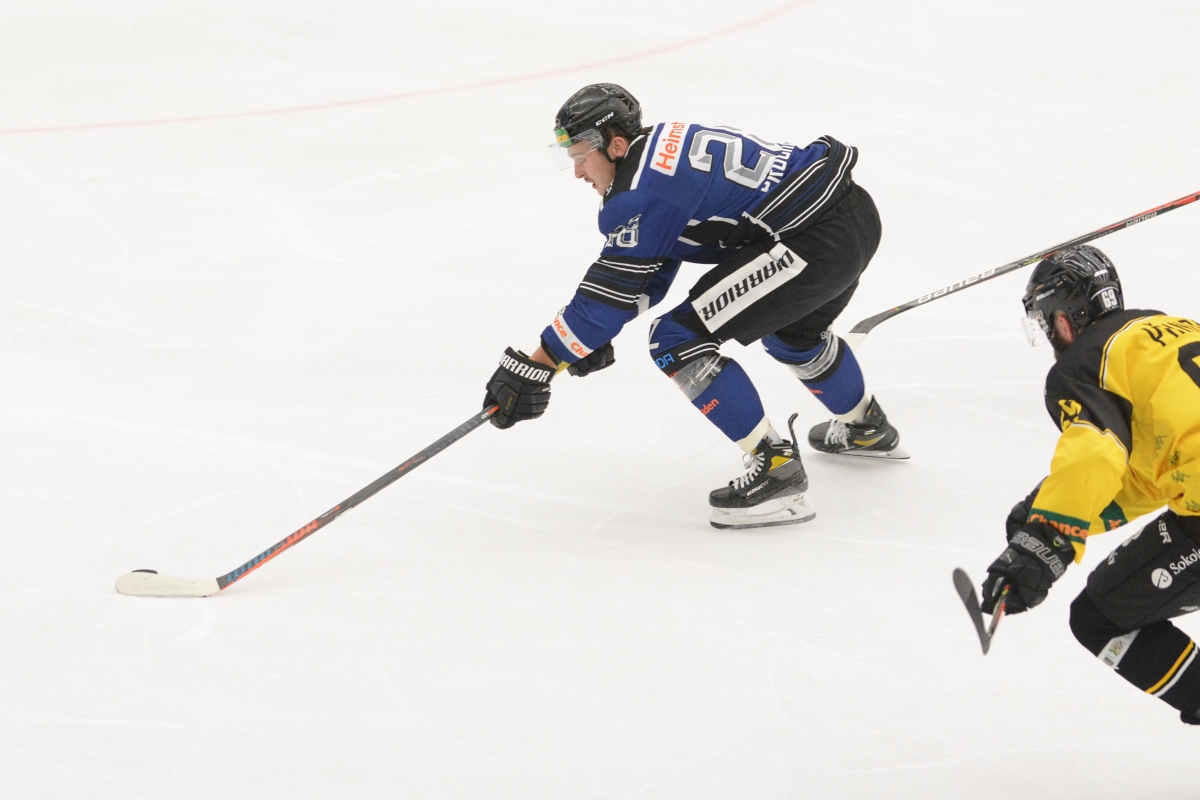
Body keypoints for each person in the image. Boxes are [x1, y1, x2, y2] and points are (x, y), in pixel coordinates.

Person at [482, 83, 905, 530]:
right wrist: (587, 340)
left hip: (810, 243)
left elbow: (607, 295)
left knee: (675, 340)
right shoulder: (658, 154)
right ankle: (866, 427)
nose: (578, 173)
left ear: (616, 145)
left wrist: (539, 364)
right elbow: (650, 272)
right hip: (853, 215)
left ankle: (777, 471)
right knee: (794, 335)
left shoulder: (641, 193)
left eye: (581, 157)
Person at [980, 244, 1200, 724]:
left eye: (1046, 322)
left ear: (1064, 318)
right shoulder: (1171, 330)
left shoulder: (1084, 363)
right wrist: (1049, 513)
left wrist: (1048, 537)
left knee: (1102, 617)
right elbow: (1154, 473)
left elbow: (1097, 452)